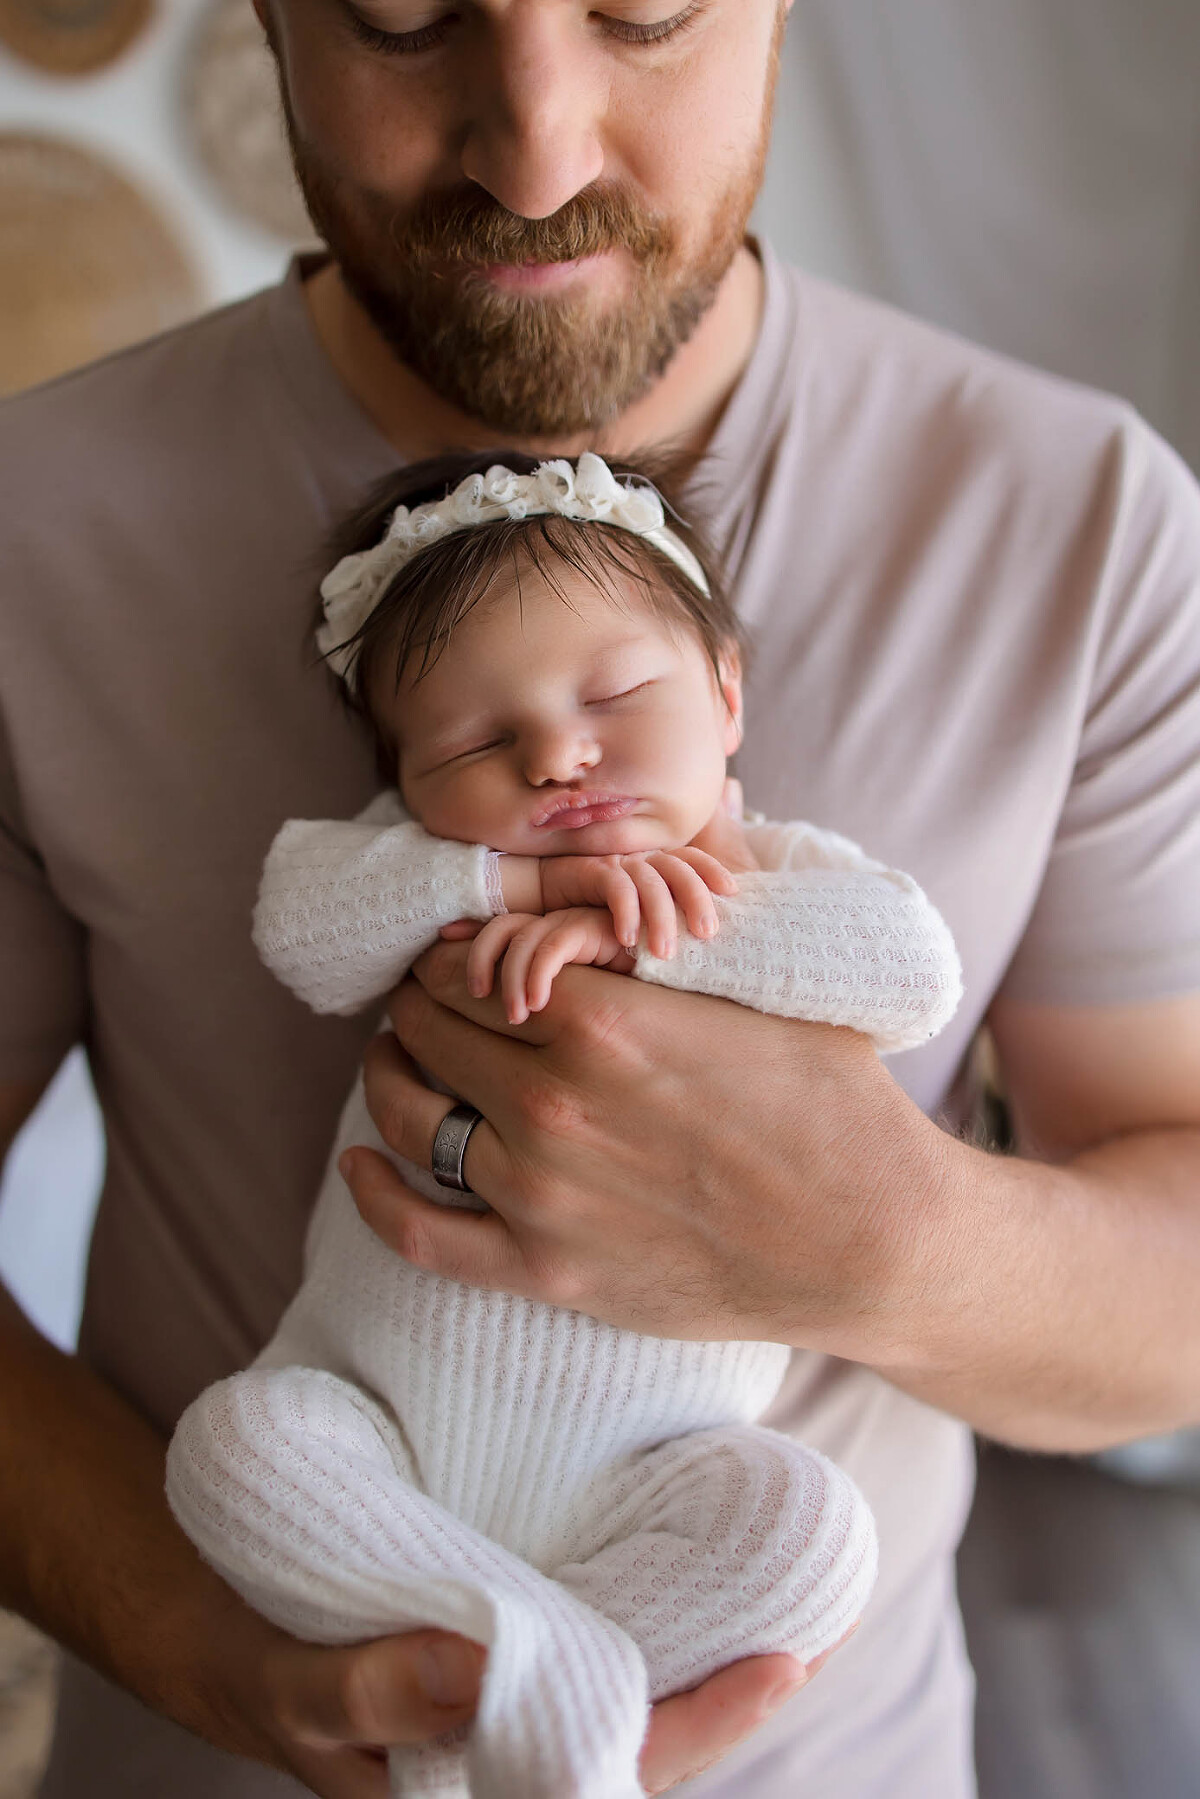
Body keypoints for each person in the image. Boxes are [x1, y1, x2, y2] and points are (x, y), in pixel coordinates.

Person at [1, 2, 1198, 1796]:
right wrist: (221, 1660)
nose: (539, 149)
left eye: (642, 7)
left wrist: (875, 1236)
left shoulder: (1084, 526)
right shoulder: (32, 532)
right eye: (403, 15)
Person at [166, 446, 960, 1798]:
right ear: (408, 781)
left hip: (655, 1481)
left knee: (816, 1536)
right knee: (229, 1452)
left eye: (615, 695)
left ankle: (485, 1724)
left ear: (723, 694)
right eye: (479, 742)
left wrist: (644, 934)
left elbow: (912, 974)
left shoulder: (773, 873)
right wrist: (500, 881)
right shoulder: (420, 873)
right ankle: (547, 1691)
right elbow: (301, 930)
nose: (555, 755)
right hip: (377, 1440)